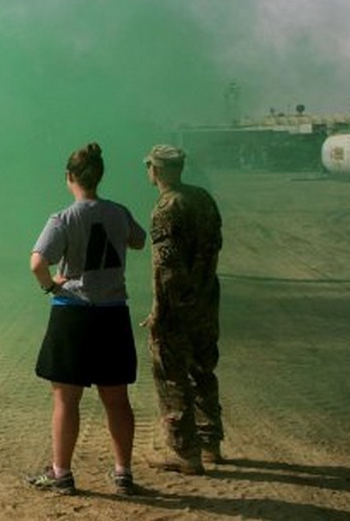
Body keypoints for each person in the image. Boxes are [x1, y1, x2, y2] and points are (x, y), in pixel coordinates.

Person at [26, 142, 147, 496]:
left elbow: (37, 263)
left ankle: (61, 473)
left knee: (66, 399)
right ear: (99, 177)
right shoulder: (118, 212)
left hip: (73, 313)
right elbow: (138, 241)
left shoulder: (62, 218)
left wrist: (51, 286)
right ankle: (123, 472)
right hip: (112, 313)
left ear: (69, 177)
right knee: (116, 398)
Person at [141, 144, 224, 474]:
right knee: (204, 369)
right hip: (206, 298)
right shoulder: (203, 197)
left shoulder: (166, 208)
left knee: (171, 374)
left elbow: (167, 267)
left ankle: (182, 450)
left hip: (178, 305)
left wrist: (159, 312)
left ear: (155, 170)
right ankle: (209, 444)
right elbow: (215, 245)